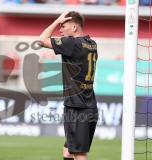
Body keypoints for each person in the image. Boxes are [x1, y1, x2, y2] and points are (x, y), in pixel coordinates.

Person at [39, 11, 98, 160]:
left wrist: (56, 20)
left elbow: (41, 40)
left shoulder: (71, 43)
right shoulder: (92, 44)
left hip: (77, 107)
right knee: (68, 151)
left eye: (63, 26)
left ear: (74, 28)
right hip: (89, 105)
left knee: (79, 154)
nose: (60, 29)